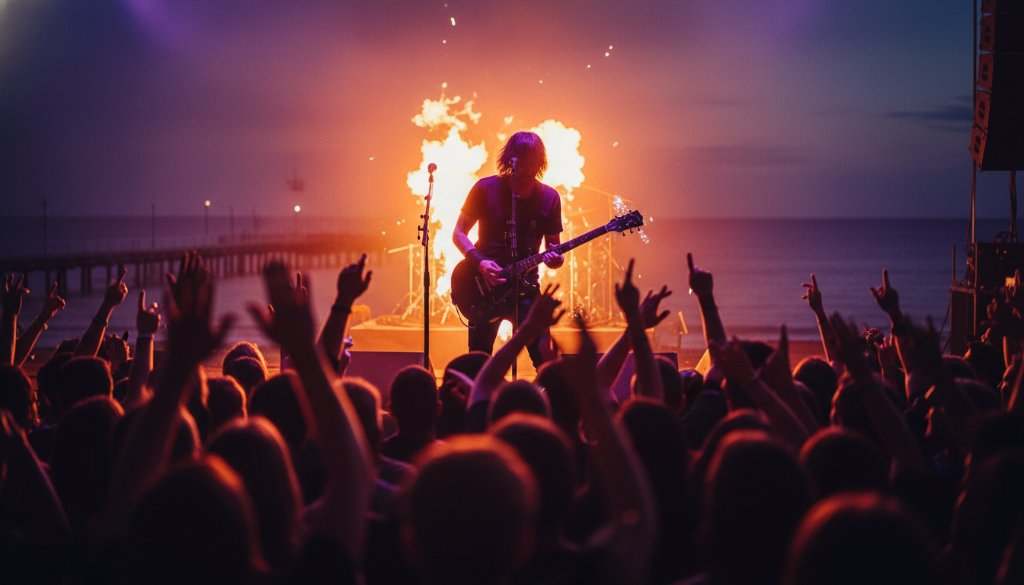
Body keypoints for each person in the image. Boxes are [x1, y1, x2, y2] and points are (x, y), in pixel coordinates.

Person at [452, 131, 564, 365]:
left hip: (527, 290)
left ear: (539, 161)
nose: (526, 165)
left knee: (547, 363)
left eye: (532, 159)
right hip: (484, 289)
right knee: (478, 364)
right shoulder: (485, 188)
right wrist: (480, 263)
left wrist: (556, 259)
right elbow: (459, 233)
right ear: (510, 158)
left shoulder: (549, 198)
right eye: (521, 158)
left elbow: (554, 248)